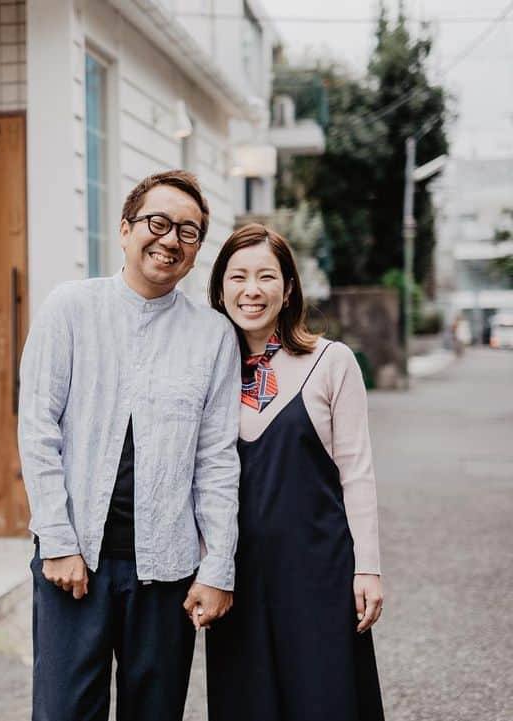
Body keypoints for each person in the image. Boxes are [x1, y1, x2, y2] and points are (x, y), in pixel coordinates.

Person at [18, 170, 241, 721]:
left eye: (187, 233)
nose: (170, 240)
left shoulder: (211, 335)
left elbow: (216, 461)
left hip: (167, 572)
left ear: (195, 252)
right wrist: (58, 539)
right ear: (125, 229)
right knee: (64, 712)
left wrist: (217, 568)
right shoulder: (70, 307)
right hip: (76, 564)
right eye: (157, 223)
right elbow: (37, 429)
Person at [205, 224, 385, 721]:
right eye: (237, 277)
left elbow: (357, 470)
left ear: (288, 290)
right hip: (237, 576)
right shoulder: (206, 370)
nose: (252, 290)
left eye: (266, 277)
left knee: (325, 700)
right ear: (221, 289)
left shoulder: (332, 362)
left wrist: (367, 566)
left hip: (319, 572)